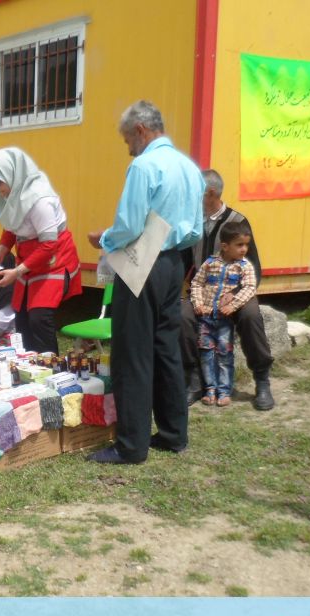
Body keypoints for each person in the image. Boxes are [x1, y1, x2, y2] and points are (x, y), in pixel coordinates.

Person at [85, 100, 205, 464]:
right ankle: (173, 434)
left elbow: (130, 224)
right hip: (174, 261)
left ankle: (131, 444)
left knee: (133, 352)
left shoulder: (144, 166)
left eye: (127, 140)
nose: (128, 148)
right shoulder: (190, 167)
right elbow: (196, 226)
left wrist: (104, 239)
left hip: (144, 260)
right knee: (165, 347)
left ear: (140, 130)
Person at [181, 169, 274, 410]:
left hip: (236, 290)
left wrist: (233, 295)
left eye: (195, 193)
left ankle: (261, 379)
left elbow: (254, 267)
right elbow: (184, 261)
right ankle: (193, 378)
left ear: (210, 193)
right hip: (203, 291)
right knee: (181, 316)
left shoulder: (237, 221)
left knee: (251, 316)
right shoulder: (191, 221)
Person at [0, 147, 82, 354]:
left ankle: (52, 371)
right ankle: (30, 368)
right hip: (30, 259)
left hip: (54, 259)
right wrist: (1, 250)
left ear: (12, 175)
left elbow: (48, 245)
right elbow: (11, 224)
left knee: (39, 316)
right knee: (22, 316)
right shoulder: (11, 194)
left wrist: (17, 272)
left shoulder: (40, 200)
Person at [189, 222, 258, 406]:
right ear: (225, 246)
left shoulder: (244, 267)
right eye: (239, 245)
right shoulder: (210, 263)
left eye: (246, 245)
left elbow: (250, 287)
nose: (244, 249)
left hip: (224, 320)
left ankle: (224, 390)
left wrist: (233, 305)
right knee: (206, 353)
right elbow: (196, 283)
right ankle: (209, 389)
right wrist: (198, 303)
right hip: (206, 319)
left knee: (224, 353)